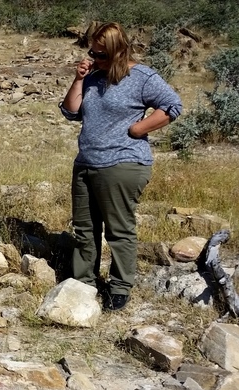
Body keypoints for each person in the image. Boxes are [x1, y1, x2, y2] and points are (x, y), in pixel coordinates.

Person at [60, 22, 182, 311]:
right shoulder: (92, 76)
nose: (94, 58)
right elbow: (69, 112)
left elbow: (172, 105)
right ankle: (83, 283)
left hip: (122, 163)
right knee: (84, 229)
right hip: (86, 162)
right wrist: (78, 79)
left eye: (101, 54)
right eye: (92, 52)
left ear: (118, 51)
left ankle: (119, 286)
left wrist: (139, 129)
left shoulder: (141, 77)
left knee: (118, 230)